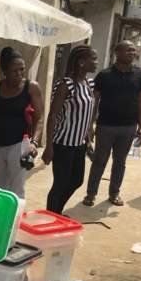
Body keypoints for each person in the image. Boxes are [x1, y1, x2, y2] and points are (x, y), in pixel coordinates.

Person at [83, 40, 141, 207]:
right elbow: (94, 103)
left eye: (134, 50)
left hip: (128, 127)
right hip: (105, 126)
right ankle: (91, 194)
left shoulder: (140, 75)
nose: (132, 53)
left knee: (120, 162)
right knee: (99, 161)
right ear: (117, 52)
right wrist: (90, 126)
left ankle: (114, 193)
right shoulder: (104, 75)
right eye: (129, 50)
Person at [43, 46, 98, 214]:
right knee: (60, 183)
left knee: (76, 180)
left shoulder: (89, 84)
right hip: (63, 144)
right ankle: (52, 215)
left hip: (79, 143)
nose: (96, 63)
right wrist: (49, 146)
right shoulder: (66, 85)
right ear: (81, 62)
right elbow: (52, 116)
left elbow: (88, 112)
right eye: (93, 59)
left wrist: (89, 135)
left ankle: (56, 211)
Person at [0, 47, 44, 199]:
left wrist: (34, 143)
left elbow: (40, 119)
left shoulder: (31, 88)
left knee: (16, 190)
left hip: (19, 145)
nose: (19, 74)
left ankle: (14, 221)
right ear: (4, 71)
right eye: (14, 71)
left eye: (22, 69)